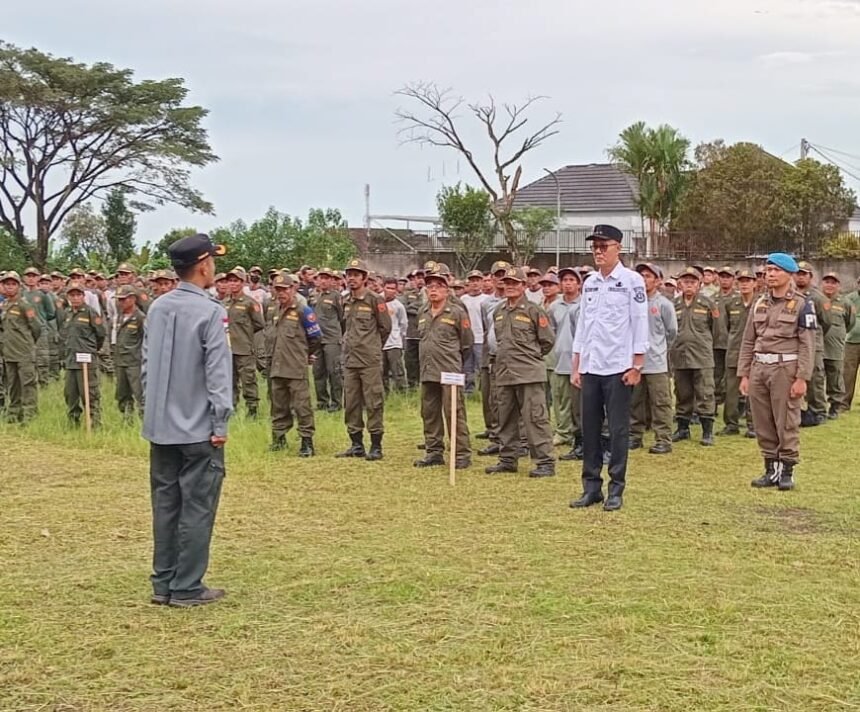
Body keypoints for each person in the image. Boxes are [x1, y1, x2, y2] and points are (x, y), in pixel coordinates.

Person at [142, 233, 233, 607]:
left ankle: (163, 582)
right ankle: (187, 586)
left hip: (161, 427)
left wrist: (153, 415)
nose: (215, 266)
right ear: (203, 265)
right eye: (213, 260)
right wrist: (221, 422)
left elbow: (146, 368)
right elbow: (217, 373)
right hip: (198, 428)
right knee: (197, 505)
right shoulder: (210, 311)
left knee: (165, 505)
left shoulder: (158, 307)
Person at [570, 225, 648, 511]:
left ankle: (616, 487)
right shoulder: (590, 282)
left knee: (617, 431)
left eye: (604, 246)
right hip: (591, 365)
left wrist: (638, 363)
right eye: (595, 247)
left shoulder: (631, 281)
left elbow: (640, 322)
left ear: (618, 247)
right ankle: (591, 487)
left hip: (618, 366)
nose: (598, 252)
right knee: (589, 429)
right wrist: (577, 363)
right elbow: (584, 325)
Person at [738, 253, 815, 491]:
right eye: (768, 270)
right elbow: (748, 340)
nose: (770, 275)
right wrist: (745, 373)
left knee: (786, 421)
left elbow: (807, 344)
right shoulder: (760, 302)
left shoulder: (802, 304)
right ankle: (770, 468)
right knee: (763, 421)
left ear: (789, 274)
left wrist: (802, 377)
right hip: (760, 367)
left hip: (785, 368)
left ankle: (787, 470)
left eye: (776, 271)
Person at [485, 266, 556, 478]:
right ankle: (507, 459)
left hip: (528, 373)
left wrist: (529, 358)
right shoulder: (498, 312)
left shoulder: (534, 311)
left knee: (535, 419)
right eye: (507, 283)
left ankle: (545, 461)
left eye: (515, 283)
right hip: (504, 372)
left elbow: (547, 341)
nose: (510, 287)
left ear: (524, 286)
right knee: (505, 418)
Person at [413, 266, 473, 469]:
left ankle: (461, 454)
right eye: (429, 286)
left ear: (447, 290)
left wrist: (455, 363)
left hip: (449, 370)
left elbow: (466, 344)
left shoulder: (456, 312)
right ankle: (433, 451)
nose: (433, 290)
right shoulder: (422, 312)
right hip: (428, 369)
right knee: (429, 412)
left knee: (454, 412)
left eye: (438, 286)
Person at [337, 258, 392, 461]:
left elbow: (385, 327)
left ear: (364, 278)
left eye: (356, 275)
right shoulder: (345, 300)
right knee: (351, 403)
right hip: (350, 360)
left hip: (369, 360)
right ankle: (356, 444)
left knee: (373, 402)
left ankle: (376, 445)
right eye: (349, 275)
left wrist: (373, 347)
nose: (352, 279)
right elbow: (345, 328)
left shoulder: (375, 300)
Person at [268, 271, 322, 455]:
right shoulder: (275, 310)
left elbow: (315, 337)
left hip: (295, 367)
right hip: (277, 366)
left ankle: (307, 442)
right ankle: (279, 438)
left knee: (302, 406)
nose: (281, 293)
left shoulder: (303, 310)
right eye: (278, 289)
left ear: (292, 289)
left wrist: (305, 354)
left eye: (285, 289)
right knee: (278, 405)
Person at [629, 263, 677, 454]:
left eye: (648, 276)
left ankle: (663, 439)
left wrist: (660, 349)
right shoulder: (632, 302)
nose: (644, 279)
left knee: (661, 402)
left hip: (656, 362)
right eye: (641, 275)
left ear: (657, 281)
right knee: (635, 401)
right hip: (634, 363)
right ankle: (635, 436)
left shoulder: (664, 304)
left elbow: (671, 332)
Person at [670, 267, 721, 447]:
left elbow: (717, 330)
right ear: (679, 284)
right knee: (682, 393)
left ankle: (707, 431)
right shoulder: (673, 304)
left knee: (705, 393)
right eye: (685, 281)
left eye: (692, 282)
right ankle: (682, 428)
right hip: (680, 355)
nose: (689, 285)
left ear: (699, 284)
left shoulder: (708, 304)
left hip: (702, 356)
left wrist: (706, 346)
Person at [476, 261, 509, 452]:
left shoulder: (519, 300)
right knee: (492, 397)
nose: (501, 280)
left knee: (509, 398)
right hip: (492, 354)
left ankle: (515, 438)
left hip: (512, 356)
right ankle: (496, 437)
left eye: (505, 275)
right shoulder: (486, 303)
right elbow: (486, 329)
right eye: (498, 275)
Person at [63, 280, 106, 427]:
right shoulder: (67, 313)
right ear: (68, 297)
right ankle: (73, 424)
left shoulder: (90, 313)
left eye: (78, 295)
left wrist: (91, 349)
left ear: (83, 296)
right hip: (70, 361)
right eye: (72, 295)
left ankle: (95, 424)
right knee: (70, 394)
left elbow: (101, 334)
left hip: (86, 361)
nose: (75, 298)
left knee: (90, 394)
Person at [0, 271, 41, 423]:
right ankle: (13, 414)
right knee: (13, 385)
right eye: (7, 284)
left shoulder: (25, 305)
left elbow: (36, 327)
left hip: (24, 352)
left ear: (19, 286)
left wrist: (28, 344)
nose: (10, 287)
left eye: (13, 284)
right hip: (9, 352)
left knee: (28, 385)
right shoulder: (4, 305)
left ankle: (29, 415)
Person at [224, 268, 265, 418]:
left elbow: (259, 323)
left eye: (236, 281)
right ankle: (232, 407)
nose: (232, 284)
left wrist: (245, 333)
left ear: (242, 283)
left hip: (244, 348)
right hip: (228, 348)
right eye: (230, 281)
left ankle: (252, 408)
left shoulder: (250, 303)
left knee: (248, 379)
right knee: (230, 380)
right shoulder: (224, 303)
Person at [721, 269, 757, 437]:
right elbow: (726, 327)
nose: (744, 284)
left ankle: (753, 425)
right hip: (734, 352)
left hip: (755, 354)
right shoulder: (731, 304)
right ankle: (731, 424)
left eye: (748, 280)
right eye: (741, 281)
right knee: (731, 391)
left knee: (754, 391)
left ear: (755, 283)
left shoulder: (761, 303)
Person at [547, 269, 580, 450]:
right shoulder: (554, 306)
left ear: (578, 284)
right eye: (564, 280)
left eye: (571, 280)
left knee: (578, 401)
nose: (567, 283)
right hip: (558, 358)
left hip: (579, 360)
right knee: (559, 398)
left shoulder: (586, 303)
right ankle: (562, 432)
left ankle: (578, 433)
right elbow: (550, 332)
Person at [794, 262, 828, 426]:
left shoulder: (818, 297)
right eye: (798, 273)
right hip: (796, 343)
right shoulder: (790, 294)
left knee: (815, 377)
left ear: (810, 276)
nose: (800, 277)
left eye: (804, 274)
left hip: (814, 343)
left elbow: (826, 322)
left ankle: (819, 409)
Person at [820, 272, 855, 419]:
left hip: (834, 348)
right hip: (817, 348)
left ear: (838, 285)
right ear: (822, 283)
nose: (829, 285)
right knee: (815, 381)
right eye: (827, 281)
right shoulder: (816, 300)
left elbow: (850, 323)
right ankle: (817, 409)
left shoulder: (845, 303)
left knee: (835, 380)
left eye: (833, 282)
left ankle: (835, 407)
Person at [310, 267, 345, 412]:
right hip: (317, 340)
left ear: (332, 280)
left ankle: (336, 403)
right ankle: (322, 402)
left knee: (334, 371)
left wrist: (339, 335)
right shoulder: (313, 296)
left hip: (332, 339)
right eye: (321, 278)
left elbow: (343, 318)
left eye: (326, 278)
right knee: (318, 372)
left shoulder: (336, 296)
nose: (323, 281)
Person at [114, 285, 146, 421]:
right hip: (121, 361)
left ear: (133, 299)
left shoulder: (140, 317)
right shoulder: (120, 316)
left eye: (123, 299)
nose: (120, 302)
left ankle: (143, 420)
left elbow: (146, 340)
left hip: (135, 362)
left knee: (140, 393)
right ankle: (127, 419)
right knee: (122, 394)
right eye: (119, 300)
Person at [460, 270, 489, 396]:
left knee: (482, 366)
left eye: (477, 280)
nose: (475, 283)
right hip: (466, 338)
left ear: (482, 282)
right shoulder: (463, 299)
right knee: (467, 366)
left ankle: (484, 391)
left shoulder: (486, 300)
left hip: (480, 339)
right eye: (472, 281)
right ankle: (468, 390)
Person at [382, 277, 408, 393]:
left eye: (393, 289)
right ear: (383, 288)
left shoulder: (399, 306)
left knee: (397, 371)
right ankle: (384, 394)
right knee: (382, 372)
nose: (390, 291)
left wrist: (399, 338)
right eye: (388, 288)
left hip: (394, 343)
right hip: (380, 343)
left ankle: (402, 394)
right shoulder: (377, 302)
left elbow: (403, 324)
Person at [401, 269, 425, 389]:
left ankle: (423, 384)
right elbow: (404, 308)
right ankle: (412, 386)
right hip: (410, 333)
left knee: (424, 361)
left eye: (422, 277)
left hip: (423, 334)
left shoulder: (428, 293)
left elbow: (428, 308)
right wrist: (418, 308)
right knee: (410, 362)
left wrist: (413, 308)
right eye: (417, 277)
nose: (419, 280)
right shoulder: (407, 294)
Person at [840, 276, 860, 412]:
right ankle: (844, 404)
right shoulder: (849, 298)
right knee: (848, 373)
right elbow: (843, 318)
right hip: (851, 341)